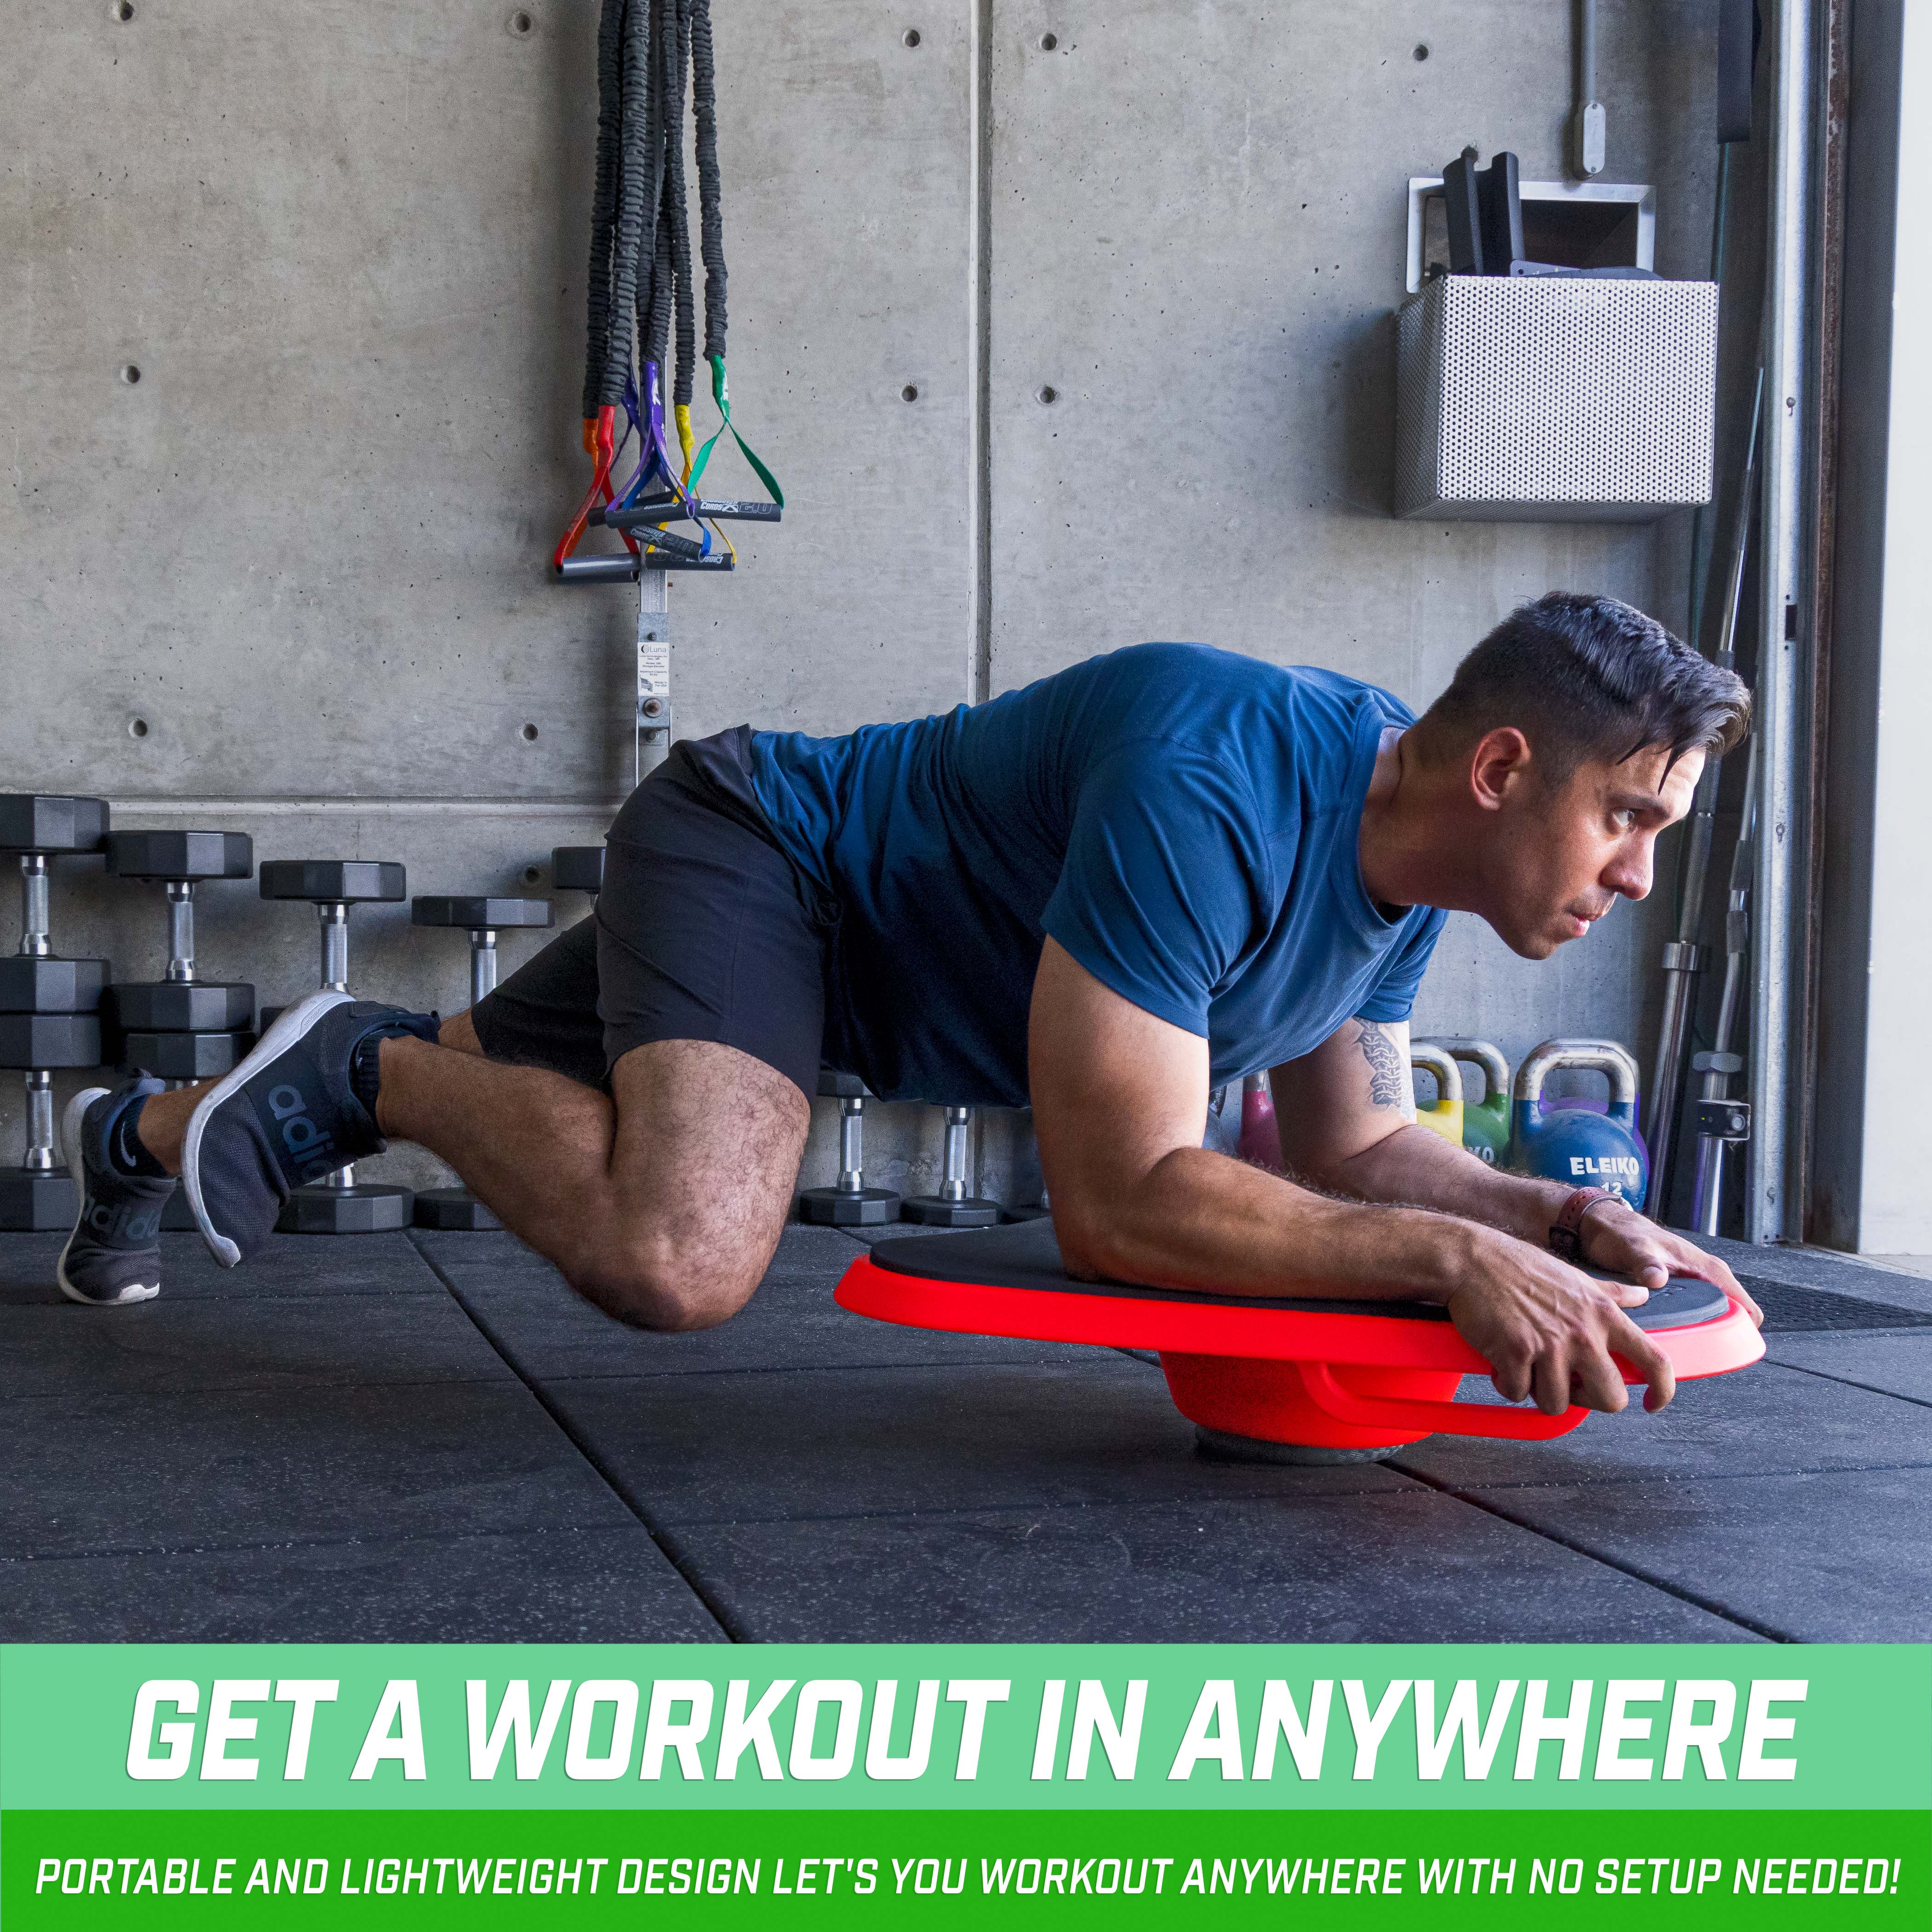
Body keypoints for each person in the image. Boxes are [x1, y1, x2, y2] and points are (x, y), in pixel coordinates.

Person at [57, 591, 1759, 1419]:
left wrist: (1545, 1216)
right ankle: (373, 1061)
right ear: (1503, 765)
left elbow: (1362, 1142)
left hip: (835, 997)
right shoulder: (1221, 775)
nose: (1635, 876)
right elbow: (1119, 1204)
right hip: (768, 864)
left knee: (520, 1126)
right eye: (1629, 821)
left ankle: (130, 1137)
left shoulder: (1405, 880)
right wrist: (1461, 1263)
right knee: (682, 1256)